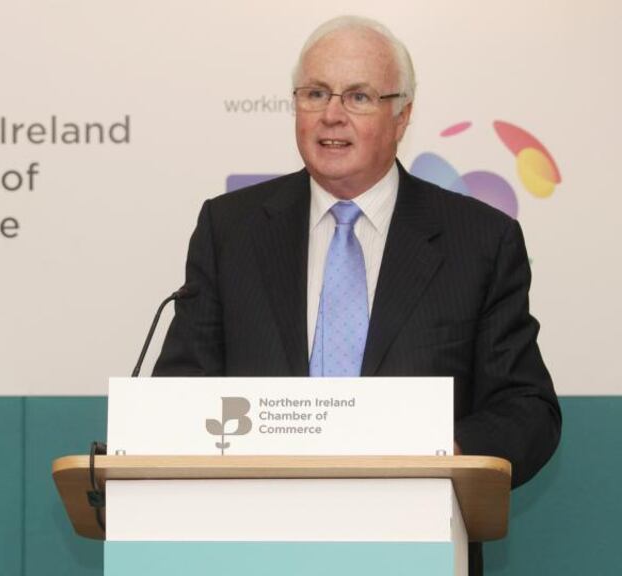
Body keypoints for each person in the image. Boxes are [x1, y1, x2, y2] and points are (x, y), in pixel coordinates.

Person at [152, 15, 561, 575]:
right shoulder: (232, 230)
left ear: (403, 116)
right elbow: (178, 393)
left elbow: (526, 408)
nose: (331, 115)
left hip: (417, 546)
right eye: (315, 93)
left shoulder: (479, 241)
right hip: (252, 546)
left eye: (359, 96)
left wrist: (450, 453)